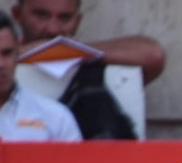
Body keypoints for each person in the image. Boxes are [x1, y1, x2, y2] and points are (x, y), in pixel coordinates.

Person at [10, 0, 165, 139]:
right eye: (41, 15)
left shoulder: (85, 60)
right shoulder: (6, 65)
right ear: (17, 14)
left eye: (64, 18)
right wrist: (17, 54)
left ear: (77, 21)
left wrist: (67, 52)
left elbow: (153, 55)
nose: (52, 28)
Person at [0, 11, 79, 140]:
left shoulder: (55, 116)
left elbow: (77, 160)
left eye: (7, 53)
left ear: (18, 51)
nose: (1, 64)